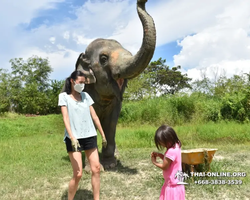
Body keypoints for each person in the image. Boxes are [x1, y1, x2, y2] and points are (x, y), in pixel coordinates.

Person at [58, 70, 107, 200]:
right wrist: (72, 137)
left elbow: (95, 116)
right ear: (72, 81)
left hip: (90, 135)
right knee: (78, 174)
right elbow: (65, 118)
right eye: (80, 82)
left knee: (96, 169)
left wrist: (102, 134)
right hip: (73, 138)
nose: (82, 85)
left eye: (84, 83)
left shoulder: (86, 96)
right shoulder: (64, 97)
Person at [151, 125, 185, 200]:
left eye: (162, 143)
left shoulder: (171, 151)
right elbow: (170, 162)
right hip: (177, 184)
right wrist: (161, 156)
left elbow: (165, 166)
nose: (162, 145)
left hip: (172, 186)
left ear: (168, 140)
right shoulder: (177, 145)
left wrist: (154, 162)